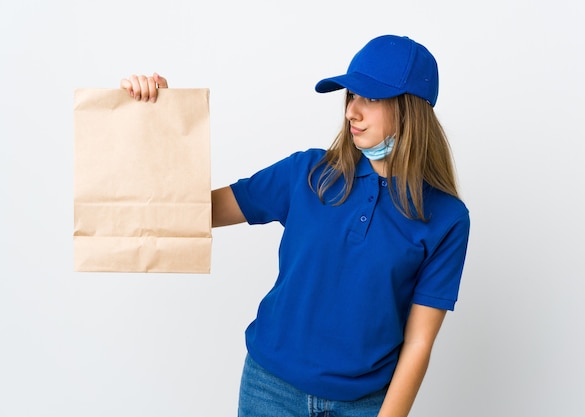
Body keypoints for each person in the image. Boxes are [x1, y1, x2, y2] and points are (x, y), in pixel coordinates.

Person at [121, 34, 470, 417]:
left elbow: (419, 342)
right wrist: (161, 118)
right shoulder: (308, 173)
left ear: (410, 110)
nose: (352, 111)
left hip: (365, 404)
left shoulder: (447, 218)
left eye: (369, 98)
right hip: (268, 391)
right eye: (351, 96)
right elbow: (191, 211)